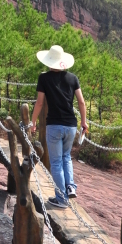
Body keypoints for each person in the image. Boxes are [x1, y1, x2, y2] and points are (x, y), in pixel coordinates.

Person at [29, 43, 88, 208]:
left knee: (55, 162)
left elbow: (40, 103)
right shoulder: (73, 78)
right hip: (71, 125)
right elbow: (81, 102)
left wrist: (33, 122)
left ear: (49, 61)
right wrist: (84, 122)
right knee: (66, 157)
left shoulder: (44, 78)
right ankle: (70, 186)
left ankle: (61, 199)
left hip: (54, 125)